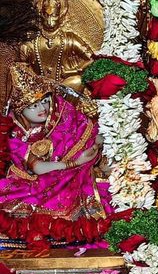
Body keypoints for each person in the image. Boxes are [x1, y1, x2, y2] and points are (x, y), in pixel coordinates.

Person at [0, 62, 111, 222]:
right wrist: (74, 163)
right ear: (20, 111)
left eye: (44, 101)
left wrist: (96, 144)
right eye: (33, 106)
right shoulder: (16, 135)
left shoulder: (62, 115)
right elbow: (38, 168)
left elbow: (91, 133)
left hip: (77, 170)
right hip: (40, 182)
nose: (42, 109)